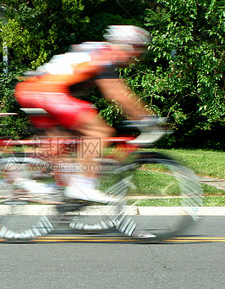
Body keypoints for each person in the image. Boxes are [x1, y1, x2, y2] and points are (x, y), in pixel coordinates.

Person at [14, 25, 165, 203]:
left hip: (33, 90)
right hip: (47, 91)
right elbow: (118, 94)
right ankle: (82, 186)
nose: (137, 58)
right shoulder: (107, 56)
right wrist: (146, 119)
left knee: (70, 141)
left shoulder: (97, 50)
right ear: (127, 46)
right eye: (138, 51)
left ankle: (60, 184)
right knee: (99, 131)